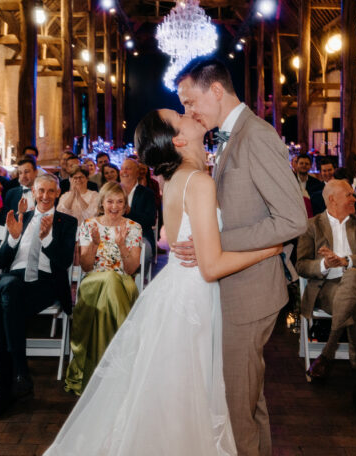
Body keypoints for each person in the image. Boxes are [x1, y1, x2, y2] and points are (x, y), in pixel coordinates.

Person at [45, 108, 283, 455]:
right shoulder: (198, 181)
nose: (189, 113)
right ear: (178, 138)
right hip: (195, 296)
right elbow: (211, 267)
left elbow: (172, 237)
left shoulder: (174, 179)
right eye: (180, 114)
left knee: (176, 395)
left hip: (176, 287)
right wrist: (269, 248)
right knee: (191, 393)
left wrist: (205, 245)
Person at [174, 58, 307, 455]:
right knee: (248, 400)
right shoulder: (233, 135)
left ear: (215, 90)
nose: (189, 112)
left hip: (250, 295)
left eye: (190, 101)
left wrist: (216, 241)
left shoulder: (256, 136)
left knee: (236, 408)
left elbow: (293, 219)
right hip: (239, 289)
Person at [0, 174, 76, 424]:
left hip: (45, 283)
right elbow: (1, 262)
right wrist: (14, 238)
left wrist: (47, 238)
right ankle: (14, 381)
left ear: (58, 193)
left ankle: (8, 383)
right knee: (7, 292)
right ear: (32, 191)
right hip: (17, 280)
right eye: (41, 190)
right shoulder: (21, 218)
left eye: (51, 191)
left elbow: (63, 263)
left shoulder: (67, 222)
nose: (45, 196)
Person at [295, 179, 356, 425]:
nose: (354, 199)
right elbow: (301, 264)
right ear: (332, 199)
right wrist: (324, 264)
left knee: (354, 275)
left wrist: (346, 261)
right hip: (328, 289)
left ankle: (327, 352)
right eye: (349, 195)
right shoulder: (311, 226)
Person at [64, 182, 143, 395]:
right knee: (107, 279)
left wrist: (122, 245)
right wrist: (94, 245)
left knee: (113, 280)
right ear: (102, 203)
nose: (114, 206)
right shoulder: (89, 225)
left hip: (123, 283)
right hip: (94, 282)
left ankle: (101, 375)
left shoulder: (133, 227)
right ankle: (123, 364)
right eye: (110, 201)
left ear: (125, 205)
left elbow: (132, 269)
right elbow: (87, 267)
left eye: (120, 202)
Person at [120, 158, 157, 274]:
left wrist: (129, 212)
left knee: (144, 251)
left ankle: (136, 282)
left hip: (141, 235)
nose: (124, 171)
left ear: (137, 172)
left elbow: (150, 220)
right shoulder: (113, 190)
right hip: (115, 233)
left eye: (128, 168)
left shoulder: (147, 193)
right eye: (122, 168)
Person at [0, 157, 38, 225]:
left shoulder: (44, 192)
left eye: (26, 172)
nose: (23, 176)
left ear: (36, 172)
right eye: (20, 173)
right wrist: (19, 214)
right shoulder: (11, 193)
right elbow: (3, 218)